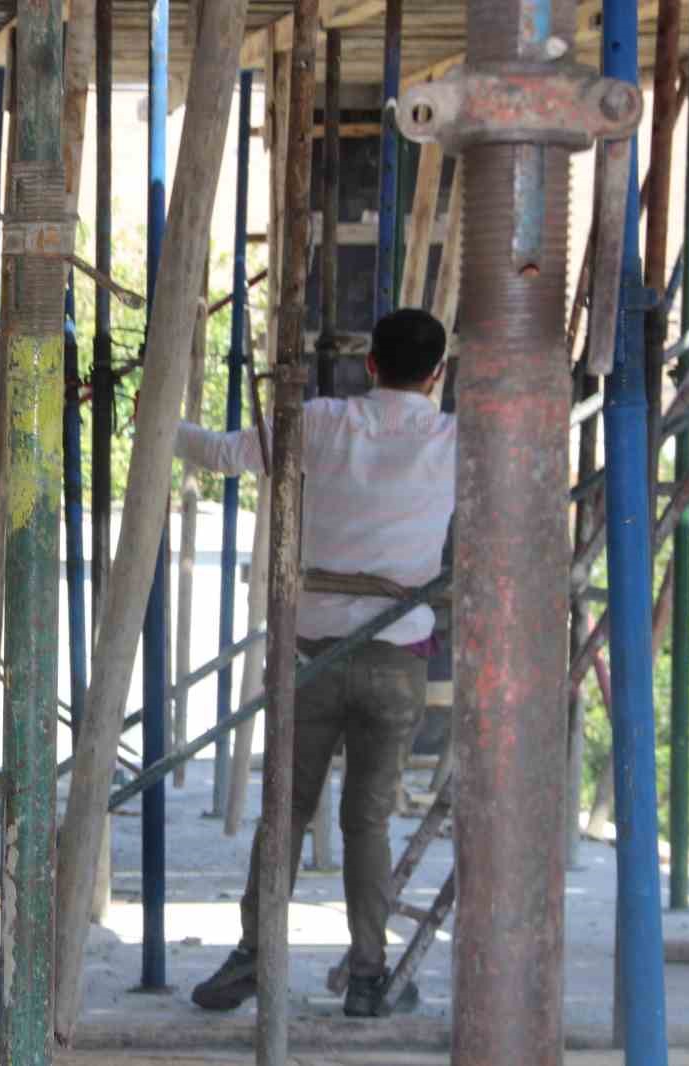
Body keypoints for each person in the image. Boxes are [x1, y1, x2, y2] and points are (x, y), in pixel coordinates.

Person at [181, 308, 454, 1018]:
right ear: (438, 374)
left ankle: (253, 957)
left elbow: (218, 454)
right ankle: (369, 976)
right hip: (397, 659)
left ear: (369, 364)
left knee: (287, 811)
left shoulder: (322, 422)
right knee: (368, 822)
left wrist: (154, 421)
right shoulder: (457, 441)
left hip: (312, 656)